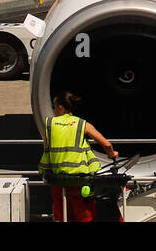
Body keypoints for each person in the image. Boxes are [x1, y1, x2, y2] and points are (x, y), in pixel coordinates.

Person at [38, 91, 117, 222]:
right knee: (84, 214)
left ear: (60, 107)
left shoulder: (49, 124)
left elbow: (46, 149)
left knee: (61, 215)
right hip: (78, 182)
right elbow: (107, 145)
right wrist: (112, 154)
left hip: (57, 180)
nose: (53, 109)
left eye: (54, 106)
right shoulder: (82, 124)